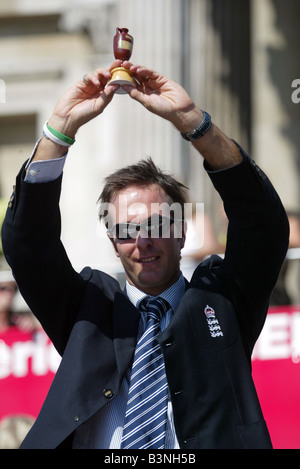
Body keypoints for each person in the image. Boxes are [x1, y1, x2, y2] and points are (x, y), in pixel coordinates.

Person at [1, 59, 289, 449]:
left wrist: (192, 122)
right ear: (112, 241)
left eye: (156, 225)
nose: (142, 241)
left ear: (181, 231)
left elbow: (262, 223)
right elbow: (28, 245)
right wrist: (60, 130)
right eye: (126, 231)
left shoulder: (223, 301)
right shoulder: (88, 311)